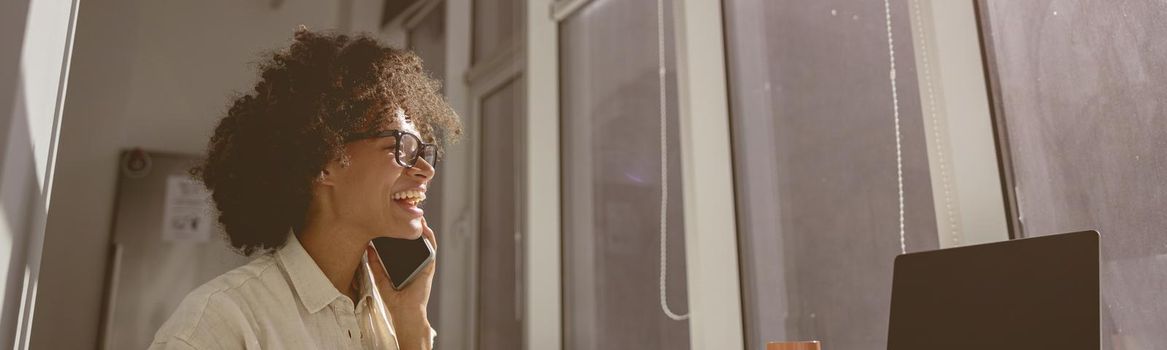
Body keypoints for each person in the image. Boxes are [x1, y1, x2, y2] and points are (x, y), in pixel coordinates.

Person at [149, 26, 461, 350]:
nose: (426, 170)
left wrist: (412, 325)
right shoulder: (220, 322)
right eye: (402, 148)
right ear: (323, 161)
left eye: (425, 153)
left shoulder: (388, 313)